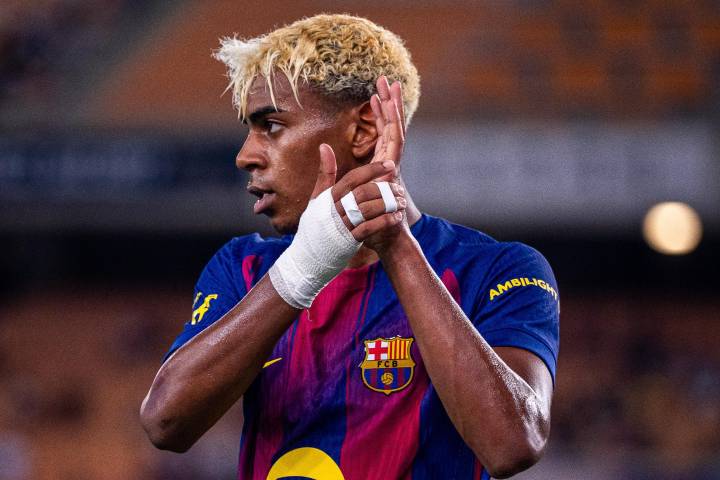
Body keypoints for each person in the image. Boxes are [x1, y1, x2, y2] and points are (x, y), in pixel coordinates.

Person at [140, 14, 559, 480]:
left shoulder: (496, 269)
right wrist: (305, 265)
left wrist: (394, 241)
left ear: (362, 131)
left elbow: (513, 444)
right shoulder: (244, 267)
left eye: (271, 125)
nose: (245, 155)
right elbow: (166, 422)